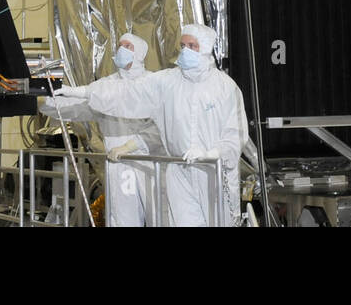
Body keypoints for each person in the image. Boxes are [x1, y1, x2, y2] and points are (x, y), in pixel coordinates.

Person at [51, 23, 249, 226]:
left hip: (214, 172)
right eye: (182, 45)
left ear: (206, 48)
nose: (185, 51)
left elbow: (235, 133)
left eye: (192, 46)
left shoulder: (225, 87)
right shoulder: (167, 82)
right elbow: (128, 94)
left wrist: (213, 153)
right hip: (179, 170)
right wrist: (83, 92)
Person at [39, 32, 164, 227]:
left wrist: (135, 145)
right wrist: (43, 101)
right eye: (120, 45)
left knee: (160, 216)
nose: (121, 50)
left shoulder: (155, 82)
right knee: (123, 219)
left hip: (152, 161)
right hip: (118, 162)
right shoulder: (106, 85)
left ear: (139, 52)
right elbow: (77, 106)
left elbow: (162, 125)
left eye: (128, 46)